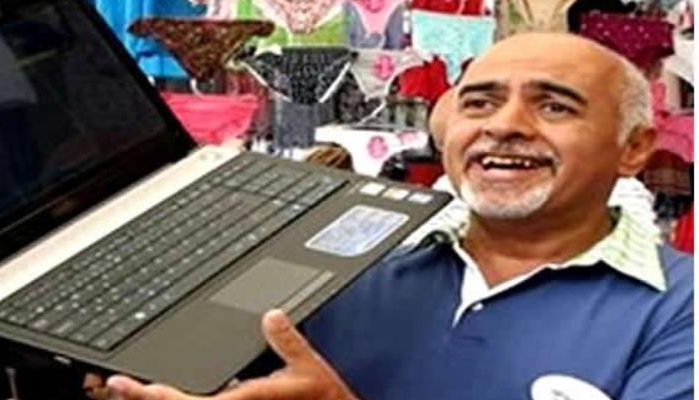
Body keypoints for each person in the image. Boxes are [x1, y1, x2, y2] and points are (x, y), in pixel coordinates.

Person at [104, 32, 693, 400]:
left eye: (555, 106)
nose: (504, 125)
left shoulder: (679, 311)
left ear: (634, 148)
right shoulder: (347, 257)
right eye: (479, 103)